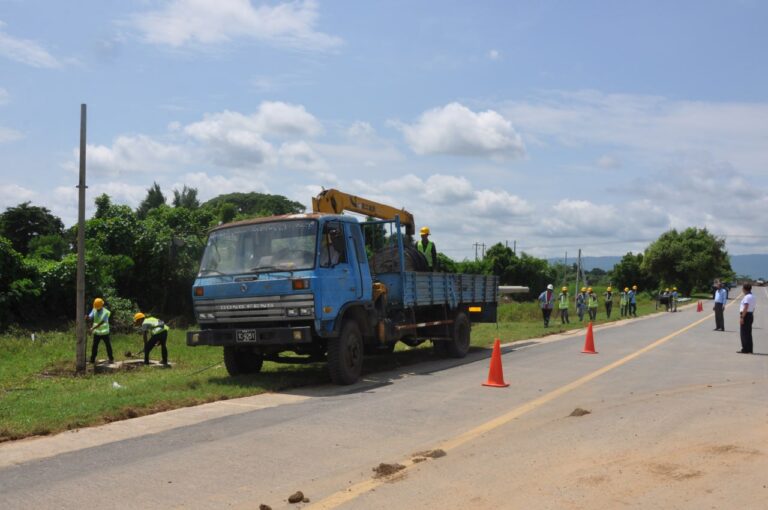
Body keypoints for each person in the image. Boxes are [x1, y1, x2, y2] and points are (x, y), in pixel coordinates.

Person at [86, 297, 113, 364]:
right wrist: (87, 317)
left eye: (98, 308)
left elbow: (102, 322)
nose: (97, 309)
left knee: (108, 346)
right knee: (94, 347)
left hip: (105, 332)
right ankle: (92, 360)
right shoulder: (94, 309)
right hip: (97, 332)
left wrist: (92, 329)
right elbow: (90, 317)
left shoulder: (106, 312)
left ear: (102, 306)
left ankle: (111, 359)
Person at [738, 283, 755, 354]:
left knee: (744, 333)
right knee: (748, 333)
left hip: (746, 315)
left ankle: (745, 349)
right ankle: (749, 349)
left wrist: (742, 317)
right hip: (750, 314)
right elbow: (753, 307)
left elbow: (746, 307)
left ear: (745, 289)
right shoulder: (753, 296)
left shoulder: (747, 297)